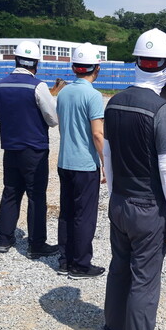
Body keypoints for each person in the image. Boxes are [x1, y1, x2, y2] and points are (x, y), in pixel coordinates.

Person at [102, 28, 166, 330]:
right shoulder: (162, 109)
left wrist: (113, 194)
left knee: (119, 270)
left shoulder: (114, 102)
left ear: (137, 62)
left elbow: (107, 153)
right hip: (148, 209)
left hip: (119, 202)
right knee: (144, 282)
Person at [0, 41, 60, 259]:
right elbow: (53, 119)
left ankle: (4, 238)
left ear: (15, 60)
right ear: (36, 63)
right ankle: (36, 244)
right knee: (36, 195)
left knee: (10, 191)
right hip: (34, 150)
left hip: (10, 147)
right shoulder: (38, 87)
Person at [56, 43, 106, 279]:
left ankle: (65, 261)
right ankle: (81, 265)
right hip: (85, 165)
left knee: (66, 212)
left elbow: (62, 127)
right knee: (84, 216)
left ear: (74, 67)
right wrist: (106, 163)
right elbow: (97, 134)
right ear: (97, 68)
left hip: (64, 161)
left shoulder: (63, 93)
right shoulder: (93, 95)